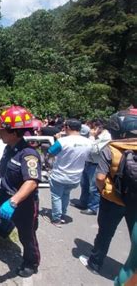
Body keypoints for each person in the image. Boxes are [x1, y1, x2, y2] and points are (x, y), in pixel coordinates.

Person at [0, 105, 41, 278]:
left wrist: (13, 202)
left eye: (2, 130)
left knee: (27, 236)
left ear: (14, 132)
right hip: (4, 195)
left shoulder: (29, 155)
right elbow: (5, 168)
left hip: (23, 203)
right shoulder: (9, 148)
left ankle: (31, 263)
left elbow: (32, 182)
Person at [79, 108, 137, 280]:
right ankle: (131, 270)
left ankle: (95, 263)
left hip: (112, 200)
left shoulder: (111, 148)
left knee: (105, 233)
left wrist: (102, 190)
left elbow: (100, 177)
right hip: (134, 201)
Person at [47, 119, 92, 225]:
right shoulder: (89, 142)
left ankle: (56, 218)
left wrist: (57, 139)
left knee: (56, 196)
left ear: (67, 127)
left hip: (60, 174)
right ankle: (63, 214)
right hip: (76, 177)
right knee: (66, 195)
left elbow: (50, 152)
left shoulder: (63, 141)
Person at [73, 119, 111, 215]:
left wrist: (91, 137)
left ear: (99, 127)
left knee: (93, 187)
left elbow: (93, 149)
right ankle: (83, 202)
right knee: (84, 184)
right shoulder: (97, 135)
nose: (91, 129)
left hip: (96, 164)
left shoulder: (106, 137)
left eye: (93, 127)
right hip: (88, 162)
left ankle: (93, 207)